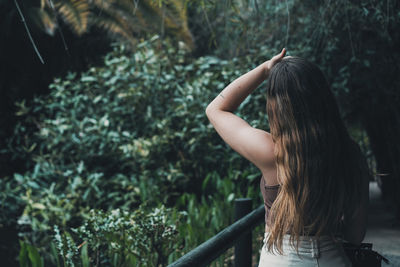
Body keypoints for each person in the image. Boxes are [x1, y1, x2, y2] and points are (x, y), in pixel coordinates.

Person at [205, 48, 370, 266]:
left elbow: (216, 109)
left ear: (277, 105)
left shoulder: (270, 151)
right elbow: (355, 235)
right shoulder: (350, 153)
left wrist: (265, 70)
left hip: (281, 260)